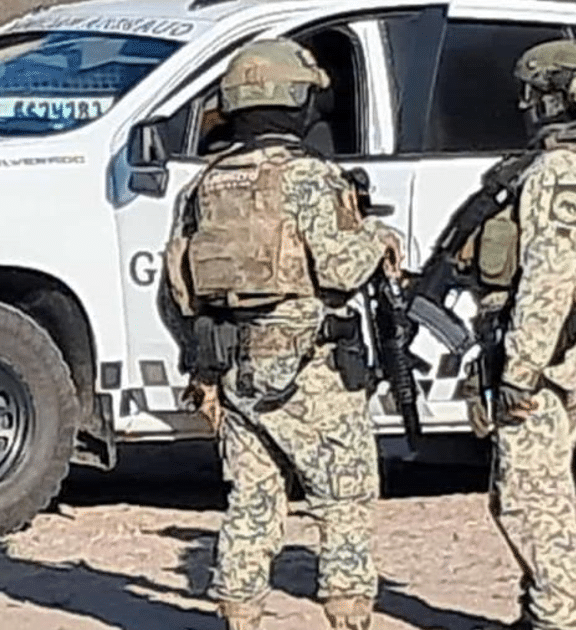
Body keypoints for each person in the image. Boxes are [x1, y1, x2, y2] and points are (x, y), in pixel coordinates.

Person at [162, 39, 403, 630]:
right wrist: (378, 238)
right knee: (343, 496)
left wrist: (203, 362)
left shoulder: (206, 185)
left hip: (235, 365)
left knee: (252, 498)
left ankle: (240, 614)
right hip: (311, 367)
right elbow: (342, 269)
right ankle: (348, 614)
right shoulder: (311, 178)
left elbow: (175, 290)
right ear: (296, 99)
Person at [454, 40, 576, 630]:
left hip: (543, 354)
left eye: (534, 93)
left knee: (531, 496)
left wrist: (518, 370)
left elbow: (548, 281)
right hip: (559, 349)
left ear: (558, 99)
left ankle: (556, 616)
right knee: (533, 490)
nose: (525, 104)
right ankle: (545, 611)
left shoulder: (560, 172)